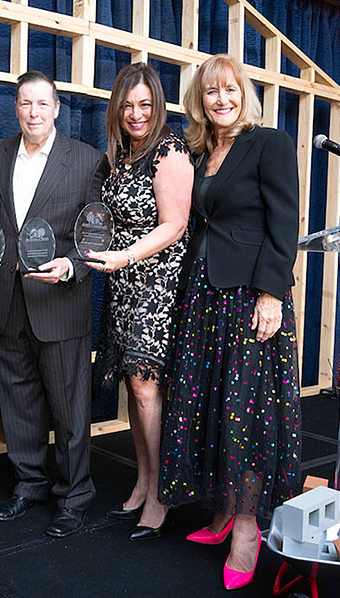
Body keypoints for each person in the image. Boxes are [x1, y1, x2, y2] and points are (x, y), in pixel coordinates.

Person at [158, 54, 301, 591]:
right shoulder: (201, 150)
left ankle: (246, 529)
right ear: (200, 99)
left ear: (245, 94)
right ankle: (220, 511)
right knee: (212, 404)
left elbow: (284, 222)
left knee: (245, 412)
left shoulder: (270, 143)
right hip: (203, 295)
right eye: (211, 92)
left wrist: (271, 293)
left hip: (248, 297)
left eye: (230, 90)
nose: (221, 100)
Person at [0, 71, 109, 538]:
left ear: (56, 110)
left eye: (42, 104)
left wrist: (72, 266)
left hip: (61, 300)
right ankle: (29, 483)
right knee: (17, 401)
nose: (33, 112)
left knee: (70, 408)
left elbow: (96, 236)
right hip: (6, 298)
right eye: (24, 104)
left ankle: (74, 496)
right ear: (15, 108)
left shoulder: (89, 161)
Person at [86, 62, 192, 540]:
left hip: (159, 280)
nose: (136, 113)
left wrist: (126, 255)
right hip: (122, 280)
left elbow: (175, 225)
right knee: (134, 389)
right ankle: (144, 478)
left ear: (158, 105)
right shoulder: (121, 154)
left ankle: (162, 492)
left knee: (147, 387)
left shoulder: (169, 148)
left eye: (145, 104)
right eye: (127, 104)